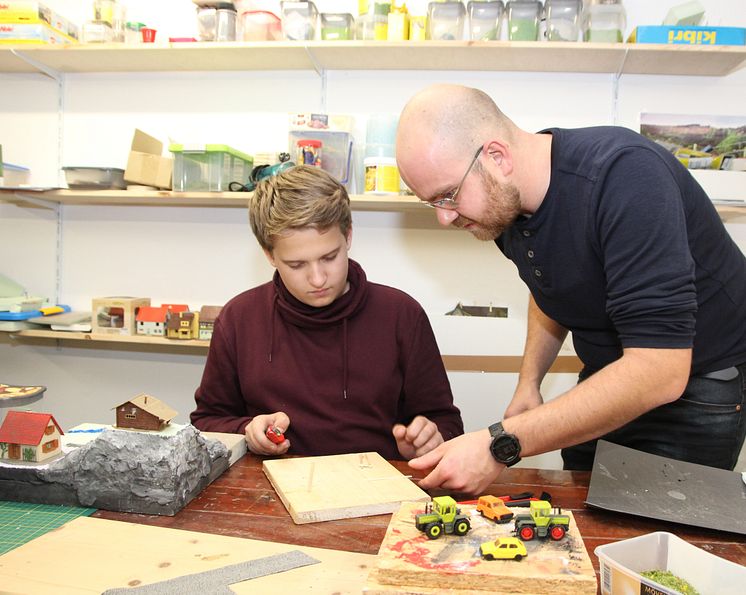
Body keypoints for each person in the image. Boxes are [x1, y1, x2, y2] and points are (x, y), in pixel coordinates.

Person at [395, 84, 746, 494]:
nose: (444, 217)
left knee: (663, 536)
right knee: (581, 518)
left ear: (497, 156)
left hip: (694, 384)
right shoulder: (504, 202)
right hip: (611, 373)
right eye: (432, 202)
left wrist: (498, 443)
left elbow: (660, 371)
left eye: (448, 195)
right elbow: (550, 283)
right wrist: (530, 383)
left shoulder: (625, 176)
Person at [190, 165, 463, 460]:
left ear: (348, 236)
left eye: (329, 257)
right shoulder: (238, 319)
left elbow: (447, 425)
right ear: (269, 254)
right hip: (271, 491)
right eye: (297, 265)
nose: (318, 279)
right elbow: (206, 422)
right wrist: (248, 431)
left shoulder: (402, 315)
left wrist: (427, 441)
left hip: (378, 488)